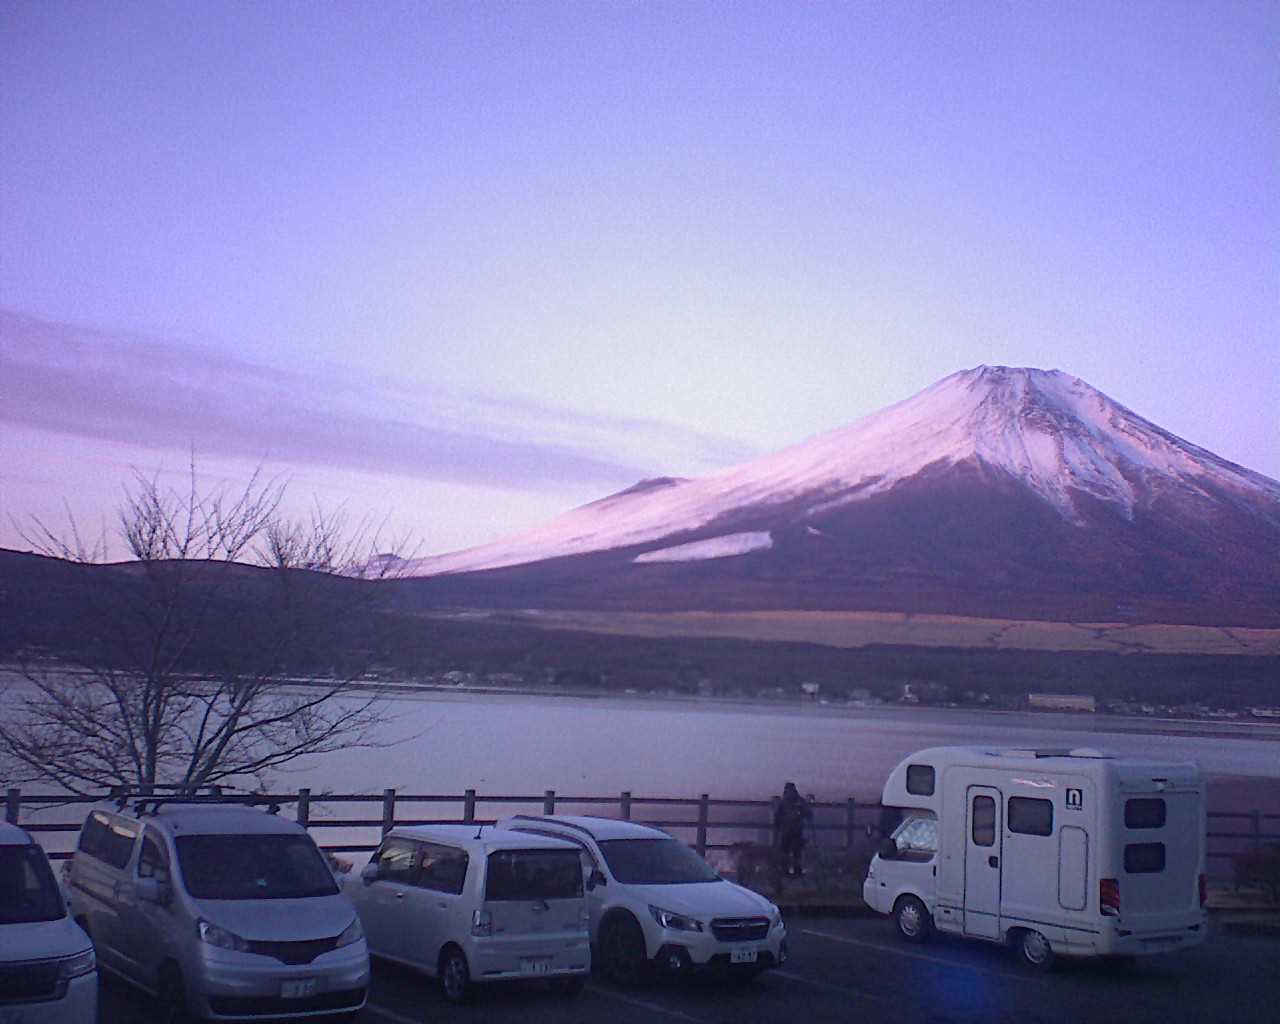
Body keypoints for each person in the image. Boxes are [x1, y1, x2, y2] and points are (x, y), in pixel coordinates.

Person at [774, 782, 813, 878]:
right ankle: (796, 871)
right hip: (796, 830)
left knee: (786, 851)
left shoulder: (784, 802)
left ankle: (785, 871)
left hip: (788, 830)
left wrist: (777, 826)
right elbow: (808, 813)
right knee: (796, 852)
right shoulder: (799, 801)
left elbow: (777, 816)